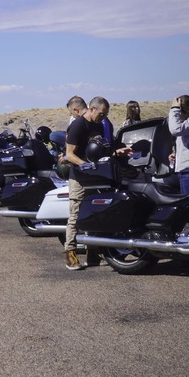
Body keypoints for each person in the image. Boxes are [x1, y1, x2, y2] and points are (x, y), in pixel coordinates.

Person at [63, 96, 128, 270]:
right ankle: (70, 253)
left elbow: (101, 148)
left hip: (94, 175)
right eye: (101, 113)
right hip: (78, 176)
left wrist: (117, 151)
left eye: (106, 114)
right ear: (91, 109)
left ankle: (93, 253)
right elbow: (69, 154)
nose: (103, 117)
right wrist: (84, 164)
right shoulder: (78, 125)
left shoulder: (99, 124)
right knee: (75, 215)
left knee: (93, 213)